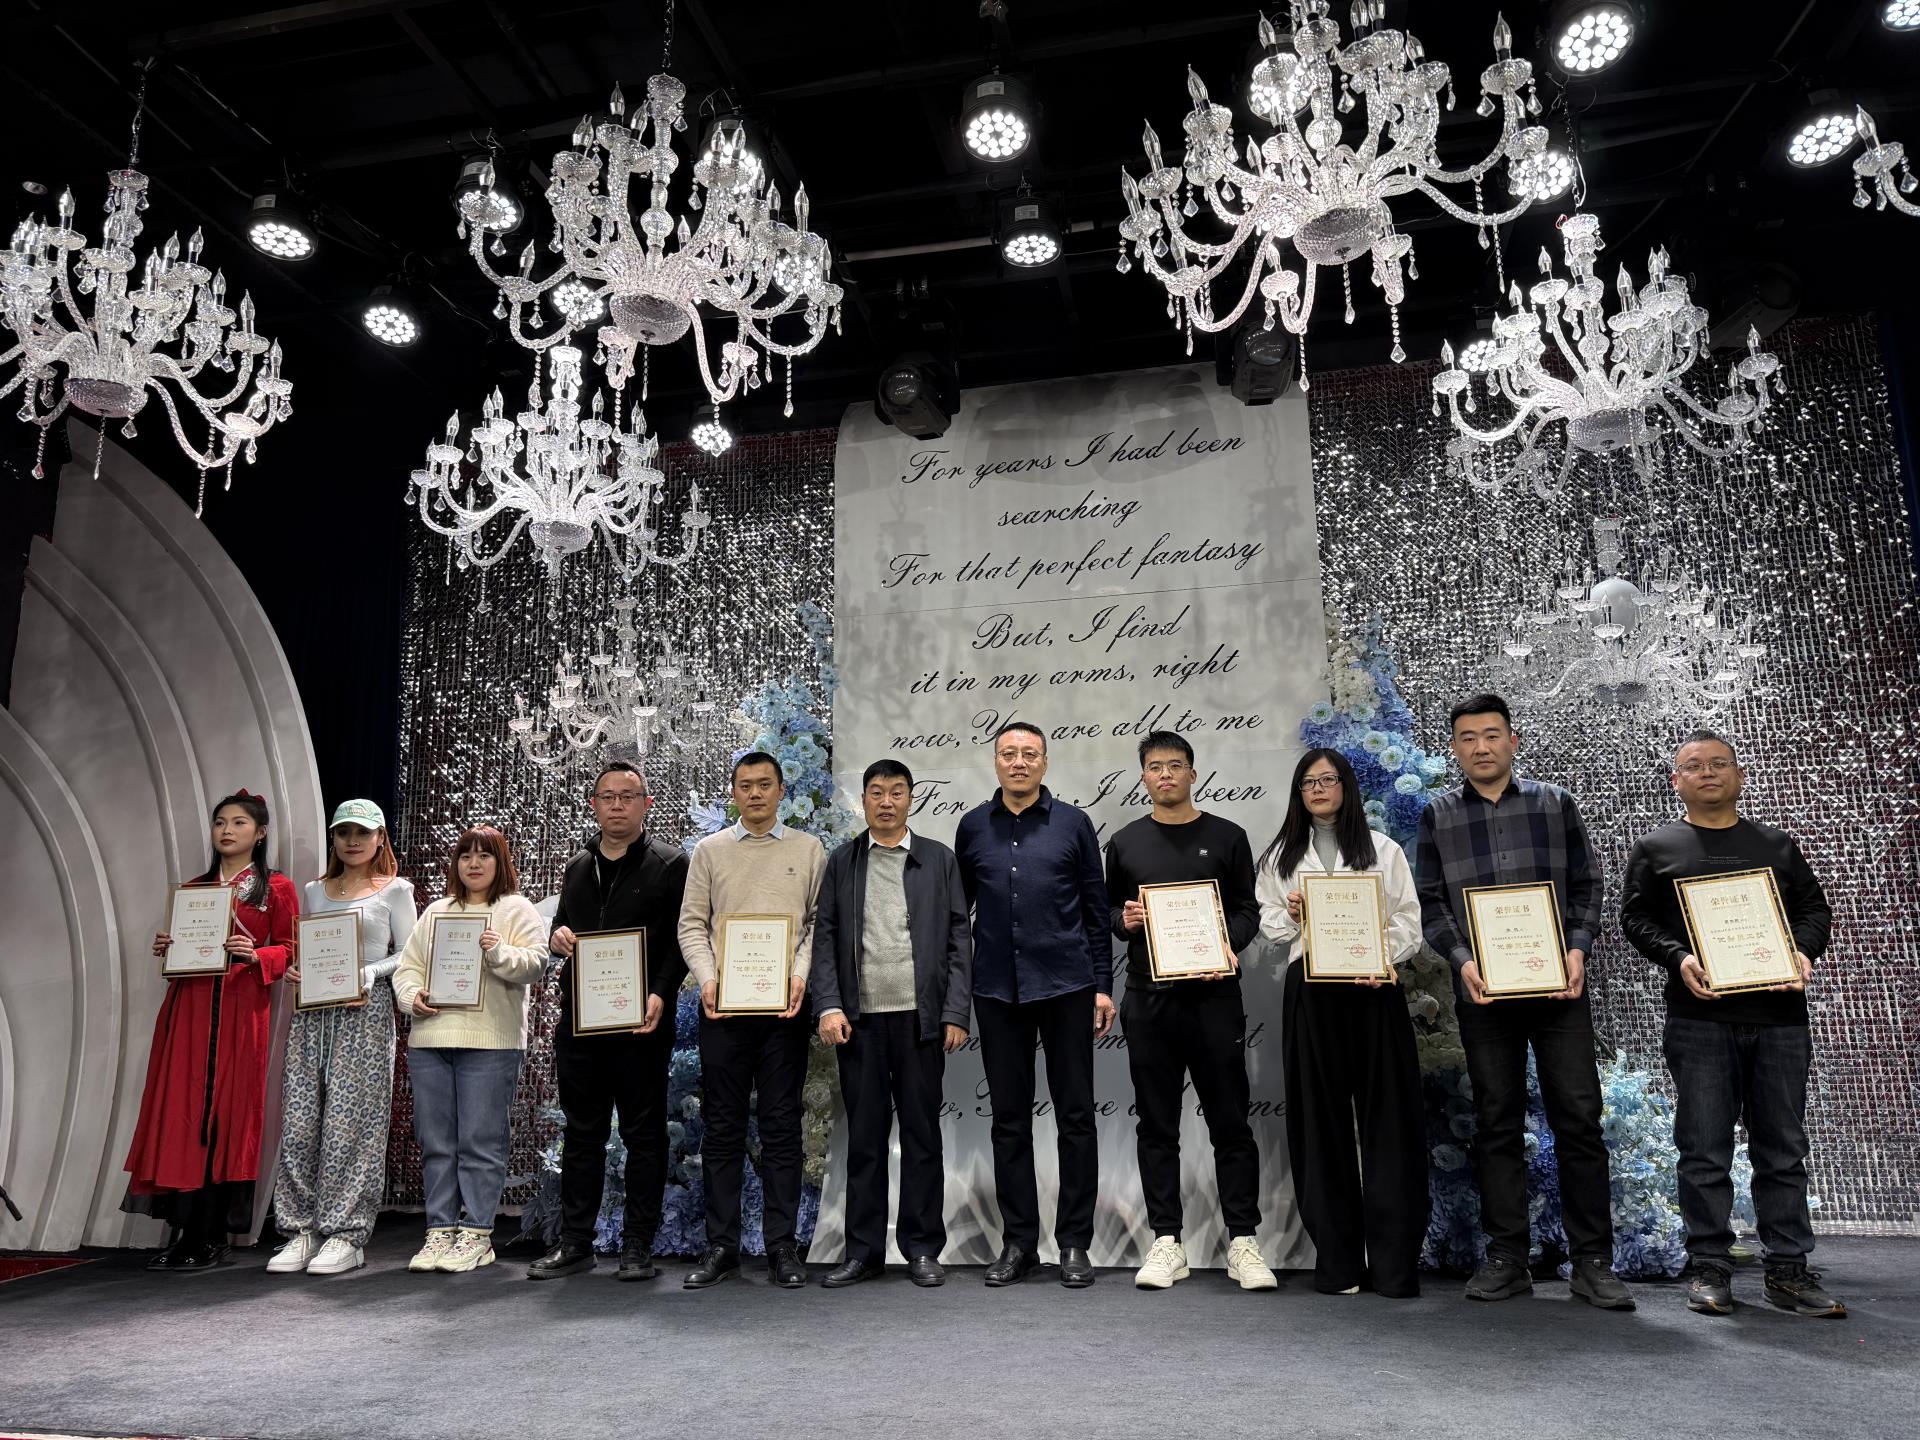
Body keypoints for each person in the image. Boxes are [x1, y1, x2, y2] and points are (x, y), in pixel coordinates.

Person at [1414, 693, 1634, 1310]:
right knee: (1497, 1121)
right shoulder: (1438, 815)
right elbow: (1431, 901)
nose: (1480, 747)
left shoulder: (1553, 803)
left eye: (1491, 735)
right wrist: (1463, 960)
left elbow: (1587, 884)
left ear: (1513, 741)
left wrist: (1578, 949)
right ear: (1454, 749)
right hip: (1484, 991)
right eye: (1467, 738)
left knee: (1578, 1119)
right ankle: (1507, 1257)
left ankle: (1592, 1262)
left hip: (1559, 989)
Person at [1619, 731, 1843, 1319]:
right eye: (1694, 766)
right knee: (1703, 1149)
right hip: (1699, 1018)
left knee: (1783, 1149)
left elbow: (1814, 909)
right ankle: (1709, 1268)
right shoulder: (1657, 848)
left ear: (1740, 776)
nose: (1708, 772)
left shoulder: (1776, 845)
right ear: (1677, 782)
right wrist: (1679, 958)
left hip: (1779, 1019)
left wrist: (1803, 952)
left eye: (1720, 763)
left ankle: (1788, 1271)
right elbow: (1635, 919)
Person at [1104, 732, 1275, 1292]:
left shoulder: (1228, 836)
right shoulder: (1125, 842)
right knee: (1156, 1125)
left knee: (1230, 1123)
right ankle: (1167, 1241)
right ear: (1143, 777)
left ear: (1193, 773)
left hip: (1214, 997)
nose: (1165, 775)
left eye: (1175, 765)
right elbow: (1109, 912)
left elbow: (1247, 910)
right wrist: (1123, 920)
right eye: (1155, 767)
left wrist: (1229, 943)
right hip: (1148, 999)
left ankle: (1243, 1242)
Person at [1257, 747, 1426, 1298]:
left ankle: (1395, 1265)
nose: (1318, 789)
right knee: (1319, 1125)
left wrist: (1380, 958)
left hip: (1374, 989)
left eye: (1328, 779)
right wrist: (1293, 915)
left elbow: (1409, 921)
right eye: (1308, 782)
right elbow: (1270, 925)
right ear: (1298, 793)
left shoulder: (1383, 849)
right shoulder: (1280, 856)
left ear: (1346, 786)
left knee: (1390, 1122)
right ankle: (1339, 1262)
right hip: (1311, 990)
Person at [954, 720, 1112, 1289]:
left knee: (1076, 1118)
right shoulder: (972, 827)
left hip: (1068, 986)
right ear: (995, 762)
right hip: (997, 990)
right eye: (1008, 754)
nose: (1018, 762)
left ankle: (1074, 1243)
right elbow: (959, 917)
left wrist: (1102, 986)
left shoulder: (1074, 824)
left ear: (1044, 763)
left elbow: (1096, 911)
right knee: (1009, 1122)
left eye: (1029, 754)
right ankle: (1019, 1242)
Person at [810, 759, 972, 1289]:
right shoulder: (843, 861)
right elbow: (825, 939)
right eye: (876, 792)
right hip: (859, 1021)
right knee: (865, 1139)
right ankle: (863, 1251)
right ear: (863, 800)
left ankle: (922, 1248)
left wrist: (953, 1012)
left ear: (910, 799)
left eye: (896, 792)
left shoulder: (938, 859)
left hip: (921, 1019)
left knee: (923, 1136)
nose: (886, 801)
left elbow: (959, 940)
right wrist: (828, 1005)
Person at [529, 762, 690, 1282]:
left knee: (645, 1136)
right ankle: (576, 1243)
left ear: (646, 805)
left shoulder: (670, 863)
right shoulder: (578, 864)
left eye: (628, 796)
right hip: (581, 1023)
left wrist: (661, 993)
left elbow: (682, 940)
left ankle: (637, 1246)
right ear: (593, 804)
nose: (617, 805)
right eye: (607, 796)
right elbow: (564, 925)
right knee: (582, 1133)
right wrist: (557, 936)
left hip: (642, 1023)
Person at [125, 789, 298, 1273]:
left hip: (241, 1009)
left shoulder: (275, 887)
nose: (227, 830)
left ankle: (212, 1234)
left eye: (239, 823)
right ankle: (186, 1232)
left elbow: (291, 948)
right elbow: (187, 949)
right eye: (221, 822)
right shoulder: (195, 888)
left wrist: (256, 954)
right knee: (183, 1112)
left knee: (226, 1114)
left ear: (260, 833)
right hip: (191, 1007)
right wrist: (170, 947)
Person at [677, 751, 825, 1289]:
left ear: (782, 790)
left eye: (765, 784)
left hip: (785, 1010)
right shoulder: (710, 850)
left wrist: (800, 975)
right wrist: (708, 978)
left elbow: (817, 923)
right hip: (724, 1009)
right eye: (745, 785)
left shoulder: (808, 849)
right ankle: (722, 1247)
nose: (756, 793)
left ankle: (782, 1246)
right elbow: (692, 925)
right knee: (722, 1128)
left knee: (782, 1126)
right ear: (734, 793)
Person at [267, 800, 415, 1277]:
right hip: (312, 1015)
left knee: (353, 1124)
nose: (353, 840)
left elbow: (409, 953)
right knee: (300, 1121)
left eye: (363, 832)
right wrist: (299, 969)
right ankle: (300, 1229)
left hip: (364, 1013)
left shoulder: (396, 890)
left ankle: (346, 1234)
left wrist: (368, 973)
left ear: (380, 838)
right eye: (344, 832)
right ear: (333, 837)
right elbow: (309, 947)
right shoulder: (314, 890)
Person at [392, 825, 547, 1275]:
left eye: (484, 856)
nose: (474, 864)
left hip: (490, 1043)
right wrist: (412, 996)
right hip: (432, 1040)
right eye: (465, 856)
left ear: (501, 863)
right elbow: (407, 969)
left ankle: (477, 1234)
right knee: (436, 1143)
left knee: (480, 1141)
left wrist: (499, 952)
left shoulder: (516, 909)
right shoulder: (437, 911)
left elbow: (536, 964)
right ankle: (440, 1229)